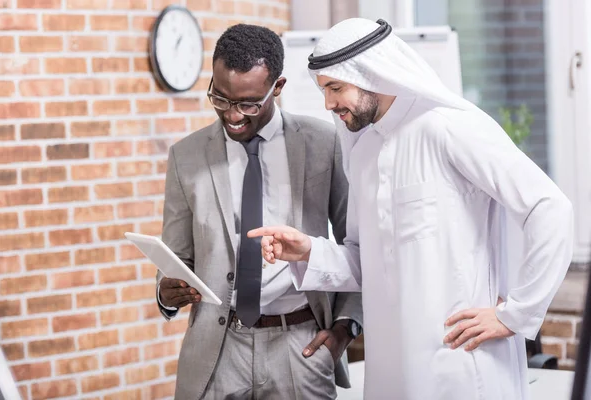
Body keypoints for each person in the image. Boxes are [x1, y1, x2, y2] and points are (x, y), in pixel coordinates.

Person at [249, 18, 574, 400]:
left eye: (336, 88)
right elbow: (364, 259)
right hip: (392, 370)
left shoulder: (447, 128)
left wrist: (515, 315)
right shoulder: (363, 151)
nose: (329, 104)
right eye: (323, 90)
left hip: (462, 369)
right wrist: (308, 251)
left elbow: (550, 208)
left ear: (373, 73)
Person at [155, 24, 362, 400]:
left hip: (300, 345)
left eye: (248, 103)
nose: (232, 115)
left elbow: (359, 242)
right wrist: (166, 292)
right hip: (218, 350)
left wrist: (346, 328)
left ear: (277, 88)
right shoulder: (186, 156)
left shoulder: (324, 143)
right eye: (220, 98)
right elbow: (176, 255)